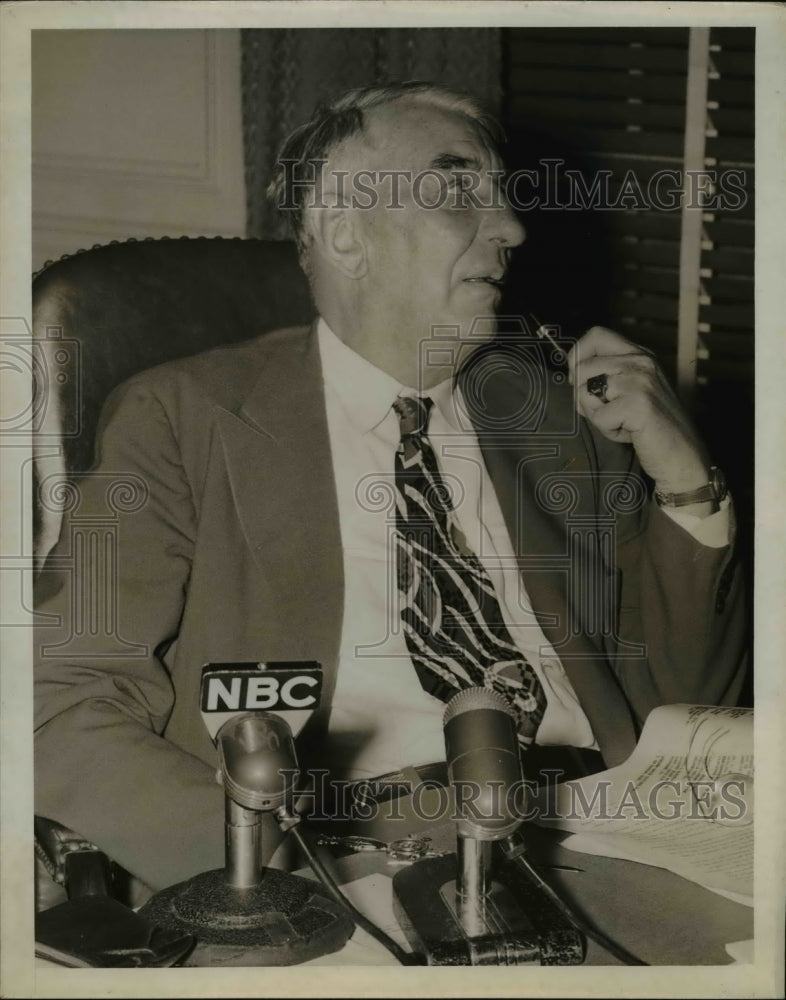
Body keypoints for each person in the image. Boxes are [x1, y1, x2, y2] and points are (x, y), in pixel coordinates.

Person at [34, 82, 747, 894]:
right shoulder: (182, 419)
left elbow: (693, 717)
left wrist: (687, 483)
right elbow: (56, 698)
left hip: (604, 835)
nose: (512, 229)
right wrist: (255, 874)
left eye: (506, 199)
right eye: (456, 190)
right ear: (345, 234)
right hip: (345, 856)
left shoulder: (560, 419)